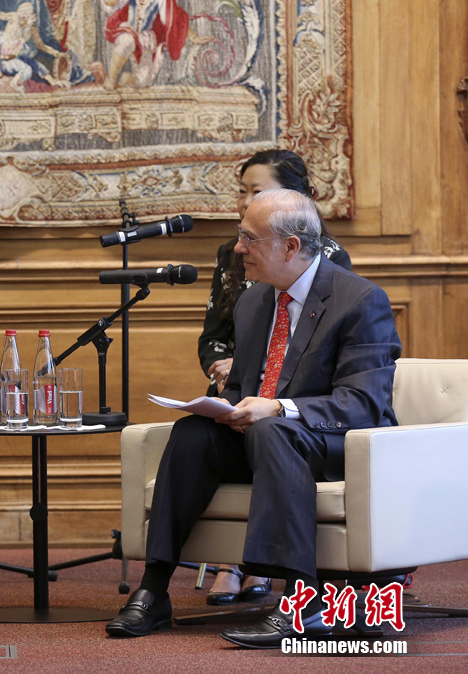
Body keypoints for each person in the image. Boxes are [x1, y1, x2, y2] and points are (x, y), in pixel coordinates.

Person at [106, 188, 401, 649]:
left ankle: (303, 604)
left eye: (249, 238)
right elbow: (244, 386)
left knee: (273, 430)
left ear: (290, 246)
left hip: (337, 444)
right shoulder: (254, 301)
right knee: (193, 434)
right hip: (267, 438)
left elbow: (363, 402)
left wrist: (278, 408)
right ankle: (154, 588)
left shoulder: (360, 299)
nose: (238, 249)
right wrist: (227, 408)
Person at [198, 149, 352, 606]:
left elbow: (320, 341)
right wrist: (228, 366)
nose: (245, 201)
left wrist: (269, 385)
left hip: (296, 396)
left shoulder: (327, 258)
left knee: (272, 429)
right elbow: (213, 334)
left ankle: (260, 570)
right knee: (199, 430)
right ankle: (207, 565)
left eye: (257, 191)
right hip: (240, 381)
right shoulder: (231, 253)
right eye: (242, 191)